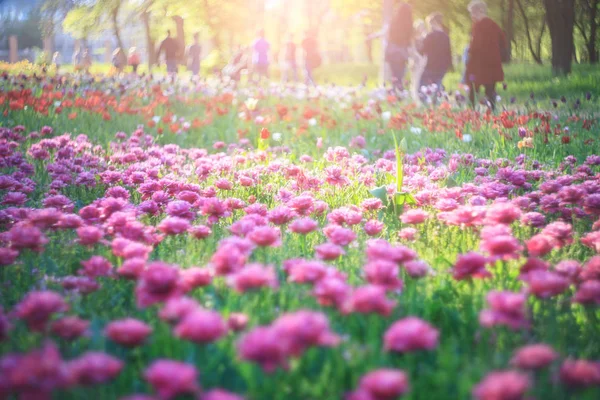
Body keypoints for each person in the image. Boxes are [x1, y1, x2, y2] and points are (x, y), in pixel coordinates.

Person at [465, 0, 507, 110]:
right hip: (493, 63)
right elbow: (503, 41)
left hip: (479, 64)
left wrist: (469, 51)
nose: (471, 16)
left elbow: (476, 45)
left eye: (472, 13)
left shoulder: (478, 26)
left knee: (474, 89)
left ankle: (470, 112)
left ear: (479, 11)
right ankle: (492, 111)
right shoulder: (494, 25)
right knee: (490, 89)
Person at [418, 13, 452, 91]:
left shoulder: (430, 36)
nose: (430, 26)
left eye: (430, 24)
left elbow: (422, 51)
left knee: (424, 89)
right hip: (441, 68)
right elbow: (448, 53)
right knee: (437, 88)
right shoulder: (446, 37)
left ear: (434, 23)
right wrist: (447, 66)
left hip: (430, 67)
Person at [386, 2, 413, 90]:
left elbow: (389, 36)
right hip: (402, 52)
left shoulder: (393, 22)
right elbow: (409, 40)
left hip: (392, 52)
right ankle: (399, 93)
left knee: (394, 75)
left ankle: (394, 93)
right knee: (400, 76)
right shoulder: (408, 24)